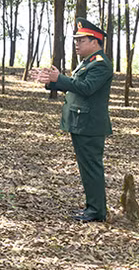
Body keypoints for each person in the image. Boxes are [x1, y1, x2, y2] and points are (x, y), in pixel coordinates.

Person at [35, 18, 113, 223]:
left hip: (90, 125)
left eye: (81, 40)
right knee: (86, 168)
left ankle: (96, 211)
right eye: (76, 40)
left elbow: (86, 88)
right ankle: (92, 207)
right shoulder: (88, 62)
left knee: (91, 168)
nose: (76, 44)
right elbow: (75, 86)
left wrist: (59, 79)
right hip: (81, 123)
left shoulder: (100, 64)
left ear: (95, 41)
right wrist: (52, 82)